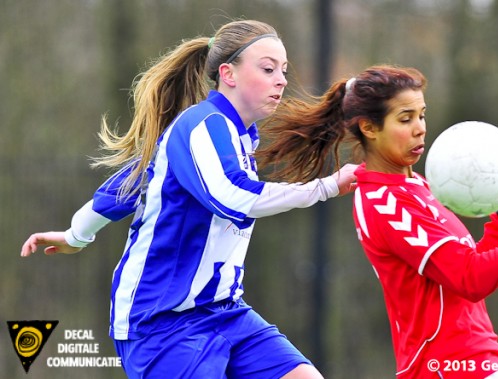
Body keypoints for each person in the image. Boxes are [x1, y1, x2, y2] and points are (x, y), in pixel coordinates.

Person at [20, 19, 357, 379]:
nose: (281, 80)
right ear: (228, 74)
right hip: (161, 323)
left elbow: (131, 183)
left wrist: (75, 235)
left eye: (284, 70)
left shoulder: (241, 136)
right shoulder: (201, 125)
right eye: (268, 68)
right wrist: (326, 187)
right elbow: (234, 197)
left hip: (225, 312)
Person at [255, 64, 498, 379]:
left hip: (474, 361)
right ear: (369, 128)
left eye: (421, 115)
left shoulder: (418, 185)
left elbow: (467, 278)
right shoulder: (385, 202)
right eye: (405, 119)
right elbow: (471, 279)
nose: (420, 128)